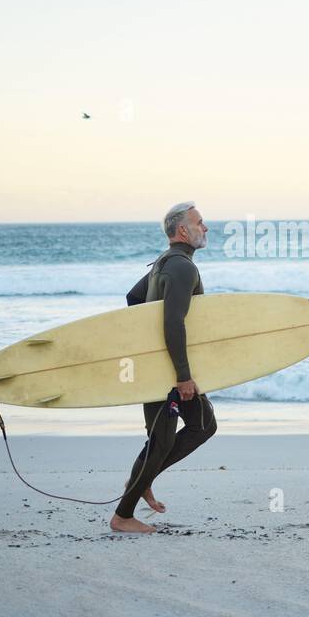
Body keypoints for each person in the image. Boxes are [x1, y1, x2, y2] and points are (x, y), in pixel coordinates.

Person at [111, 202, 218, 533]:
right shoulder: (182, 268)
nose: (207, 228)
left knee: (199, 425)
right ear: (183, 230)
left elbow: (133, 297)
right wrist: (183, 376)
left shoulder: (163, 264)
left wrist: (149, 348)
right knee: (170, 438)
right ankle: (123, 516)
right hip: (170, 373)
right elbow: (174, 321)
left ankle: (144, 478)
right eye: (201, 223)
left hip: (160, 366)